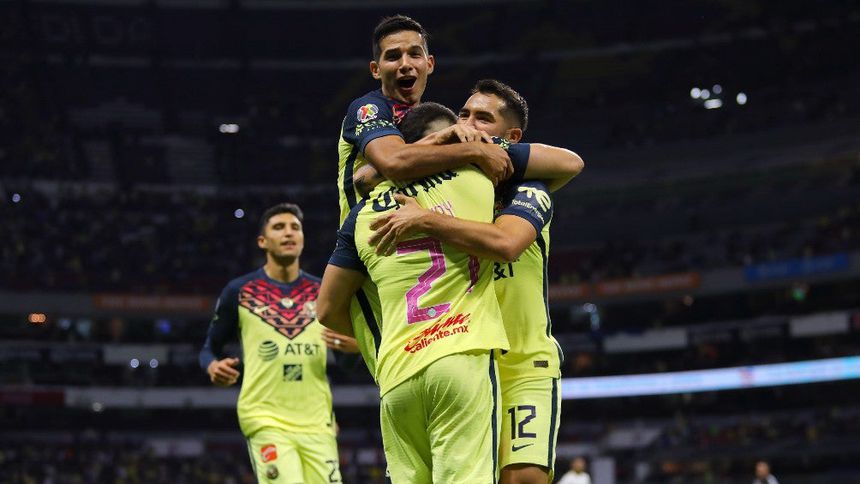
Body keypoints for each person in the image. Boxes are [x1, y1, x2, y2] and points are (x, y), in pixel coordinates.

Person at [366, 80, 583, 484]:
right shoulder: (443, 184)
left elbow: (506, 242)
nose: (467, 123)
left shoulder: (529, 189)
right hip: (462, 356)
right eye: (463, 114)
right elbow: (366, 177)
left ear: (511, 137)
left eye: (483, 118)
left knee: (524, 479)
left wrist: (427, 218)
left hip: (522, 364)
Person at [319, 102, 538, 483]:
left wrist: (374, 341)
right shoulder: (476, 179)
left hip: (397, 372)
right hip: (460, 355)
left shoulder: (362, 215)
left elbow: (325, 310)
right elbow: (567, 164)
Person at [336, 14, 513, 388]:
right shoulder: (369, 109)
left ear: (429, 63)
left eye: (414, 54)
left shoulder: (426, 119)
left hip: (417, 254)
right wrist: (473, 151)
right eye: (393, 56)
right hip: (373, 255)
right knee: (401, 380)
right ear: (375, 69)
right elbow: (393, 163)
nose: (405, 64)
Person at [199, 203, 358, 483]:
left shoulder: (323, 292)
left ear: (303, 239)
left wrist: (355, 347)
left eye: (295, 228)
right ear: (262, 241)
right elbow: (209, 348)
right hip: (266, 418)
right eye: (279, 227)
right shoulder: (239, 291)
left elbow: (346, 362)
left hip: (318, 422)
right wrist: (212, 365)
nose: (288, 233)